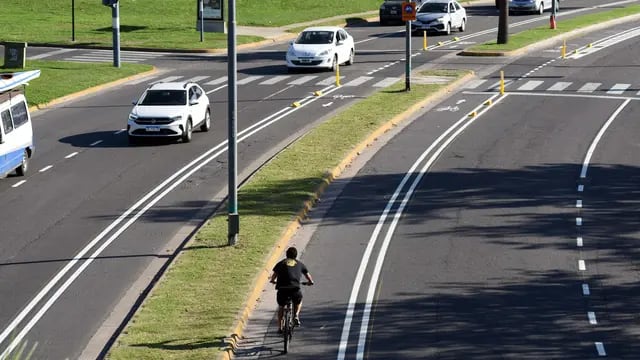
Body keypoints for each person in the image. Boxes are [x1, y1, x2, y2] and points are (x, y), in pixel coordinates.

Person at [270, 247, 314, 333]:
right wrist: (310, 282)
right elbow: (308, 276)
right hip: (295, 289)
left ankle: (280, 327)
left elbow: (274, 275)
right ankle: (296, 315)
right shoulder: (300, 264)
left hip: (282, 289)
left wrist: (272, 281)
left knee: (281, 307)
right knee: (298, 301)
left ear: (286, 255)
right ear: (296, 256)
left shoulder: (280, 263)